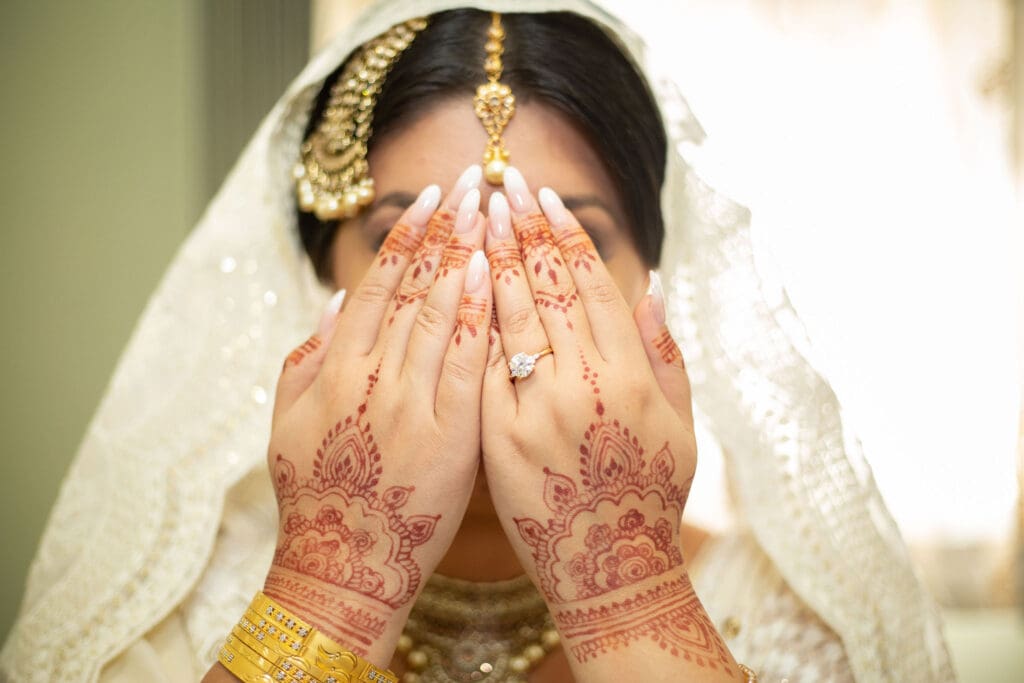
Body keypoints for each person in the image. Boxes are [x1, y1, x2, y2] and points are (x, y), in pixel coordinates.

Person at [0, 2, 955, 682]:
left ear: (653, 290)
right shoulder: (160, 621)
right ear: (322, 284)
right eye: (411, 241)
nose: (487, 297)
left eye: (558, 239)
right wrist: (336, 584)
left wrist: (627, 589)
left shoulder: (813, 632)